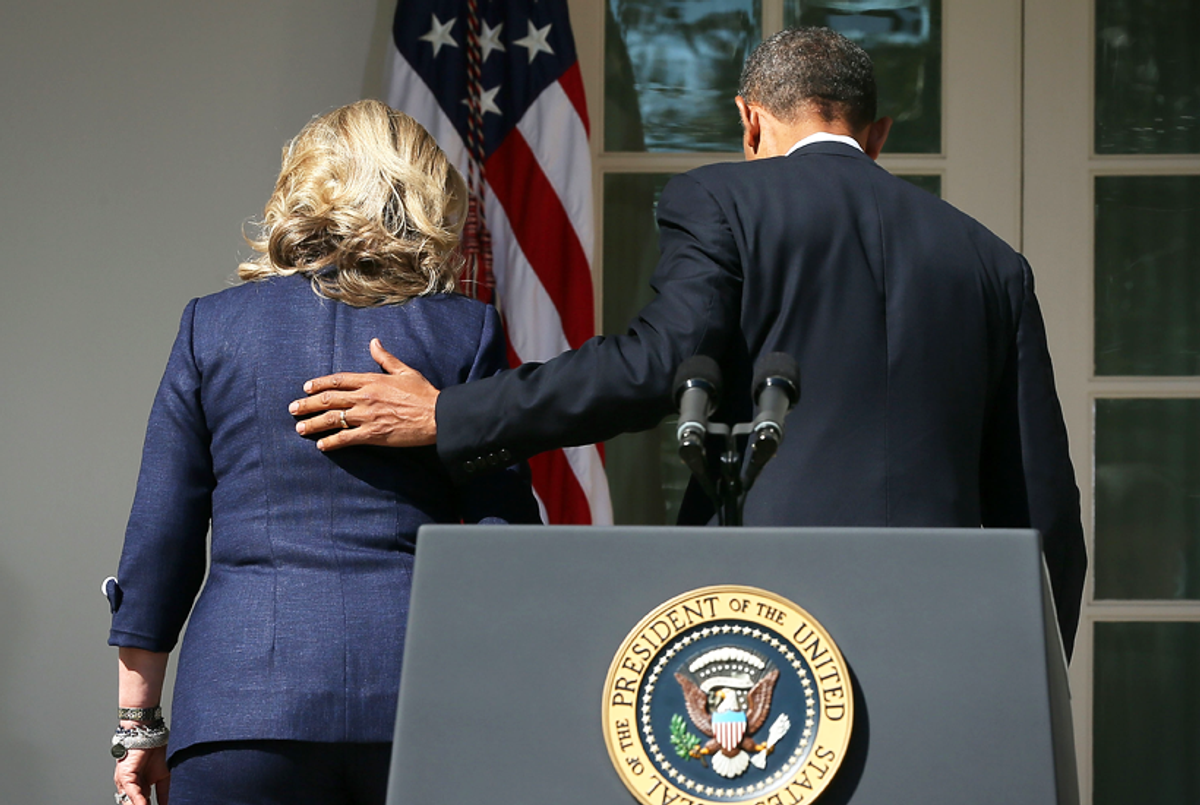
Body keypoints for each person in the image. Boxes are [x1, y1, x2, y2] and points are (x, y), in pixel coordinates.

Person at [290, 30, 1087, 658]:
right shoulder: (992, 261)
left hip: (768, 611)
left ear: (749, 119)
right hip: (944, 632)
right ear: (876, 132)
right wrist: (1033, 682)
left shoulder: (723, 197)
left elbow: (655, 366)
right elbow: (1045, 504)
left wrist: (453, 413)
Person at [105, 99, 540, 805]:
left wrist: (137, 723)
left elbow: (161, 538)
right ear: (423, 192)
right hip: (419, 702)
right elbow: (507, 539)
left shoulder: (212, 328)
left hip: (242, 711)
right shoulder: (466, 332)